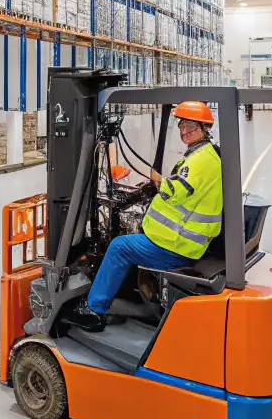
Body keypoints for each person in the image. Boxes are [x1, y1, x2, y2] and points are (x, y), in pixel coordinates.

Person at [69, 100, 223, 332]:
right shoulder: (202, 154)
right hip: (184, 240)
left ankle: (95, 311)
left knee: (119, 247)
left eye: (190, 126)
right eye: (181, 126)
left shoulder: (202, 160)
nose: (184, 131)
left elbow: (175, 190)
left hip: (179, 245)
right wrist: (144, 192)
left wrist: (153, 184)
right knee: (130, 237)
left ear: (204, 128)